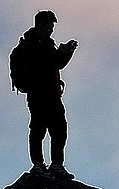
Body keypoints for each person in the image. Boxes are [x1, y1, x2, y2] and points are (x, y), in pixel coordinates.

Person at [9, 10, 77, 178]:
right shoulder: (31, 46)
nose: (51, 30)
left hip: (51, 94)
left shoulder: (45, 45)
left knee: (58, 129)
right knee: (40, 130)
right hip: (39, 95)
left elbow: (57, 64)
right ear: (40, 25)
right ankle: (39, 165)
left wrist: (67, 52)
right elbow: (49, 65)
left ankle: (55, 165)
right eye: (49, 26)